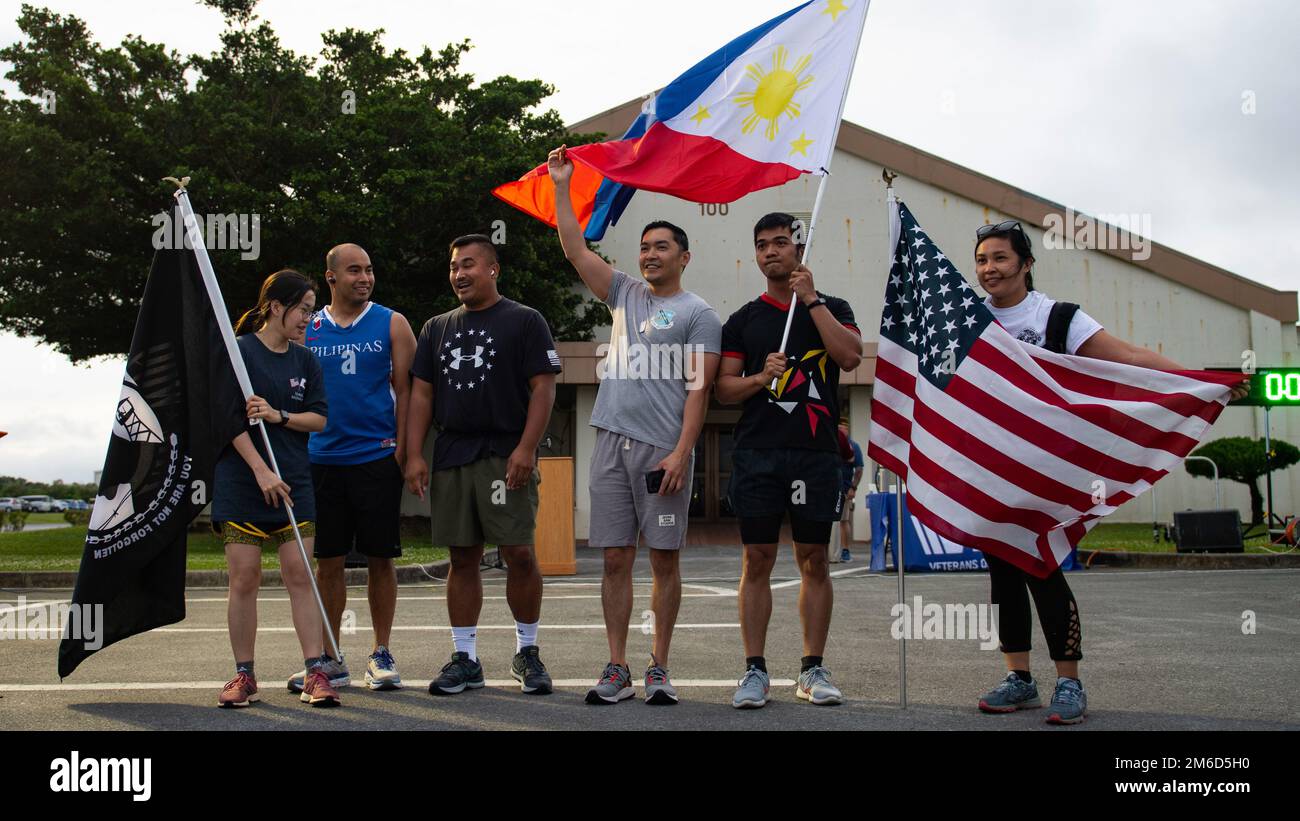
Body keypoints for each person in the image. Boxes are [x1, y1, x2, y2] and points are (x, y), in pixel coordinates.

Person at [971, 219, 1247, 724]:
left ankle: (1069, 683)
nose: (990, 269)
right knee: (1002, 573)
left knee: (1044, 567)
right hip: (993, 470)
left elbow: (1128, 359)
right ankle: (1019, 678)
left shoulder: (1058, 317)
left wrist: (1198, 380)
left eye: (1001, 258)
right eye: (983, 260)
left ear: (1026, 264)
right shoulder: (967, 320)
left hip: (1051, 472)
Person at [549, 145, 721, 706]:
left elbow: (700, 388)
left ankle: (660, 668)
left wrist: (681, 452)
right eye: (644, 247)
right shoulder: (623, 293)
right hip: (610, 442)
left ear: (684, 257)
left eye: (661, 247)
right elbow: (575, 249)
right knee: (616, 557)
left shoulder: (699, 313)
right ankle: (617, 666)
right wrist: (560, 182)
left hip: (662, 452)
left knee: (664, 559)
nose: (650, 255)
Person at [715, 212, 862, 710]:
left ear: (798, 250)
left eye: (780, 242)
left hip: (815, 453)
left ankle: (811, 668)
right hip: (758, 453)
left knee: (814, 559)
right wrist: (760, 377)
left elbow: (849, 356)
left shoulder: (832, 306)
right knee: (757, 559)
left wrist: (812, 301)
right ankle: (754, 670)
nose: (771, 251)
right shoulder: (743, 320)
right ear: (756, 255)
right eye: (762, 245)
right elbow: (725, 390)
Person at [405, 234, 561, 696]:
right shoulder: (436, 327)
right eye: (454, 266)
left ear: (493, 269)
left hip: (505, 451)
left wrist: (527, 448)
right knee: (462, 557)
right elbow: (422, 394)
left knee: (518, 552)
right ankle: (465, 658)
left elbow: (544, 388)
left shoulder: (525, 320)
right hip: (453, 453)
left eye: (469, 265)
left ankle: (527, 652)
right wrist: (415, 454)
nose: (459, 274)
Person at [288, 243, 417, 694]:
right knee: (328, 563)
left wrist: (405, 449)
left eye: (369, 270)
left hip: (376, 457)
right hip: (320, 460)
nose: (364, 278)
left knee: (382, 558)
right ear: (331, 278)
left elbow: (409, 392)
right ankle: (329, 658)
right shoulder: (309, 327)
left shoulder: (392, 323)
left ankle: (381, 652)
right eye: (354, 270)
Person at [213, 270, 337, 708]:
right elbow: (228, 419)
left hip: (294, 482)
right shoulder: (238, 353)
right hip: (243, 482)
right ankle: (243, 675)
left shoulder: (307, 361)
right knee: (244, 578)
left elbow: (319, 419)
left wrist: (279, 416)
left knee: (300, 574)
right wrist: (261, 471)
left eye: (312, 310)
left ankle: (315, 672)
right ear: (277, 307)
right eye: (303, 309)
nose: (309, 319)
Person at [837, 424, 864, 562]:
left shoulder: (854, 446)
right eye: (839, 427)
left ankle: (845, 550)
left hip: (845, 489)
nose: (841, 430)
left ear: (848, 429)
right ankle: (828, 552)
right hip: (828, 488)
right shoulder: (830, 443)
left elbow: (859, 469)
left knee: (843, 520)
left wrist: (853, 487)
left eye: (844, 427)